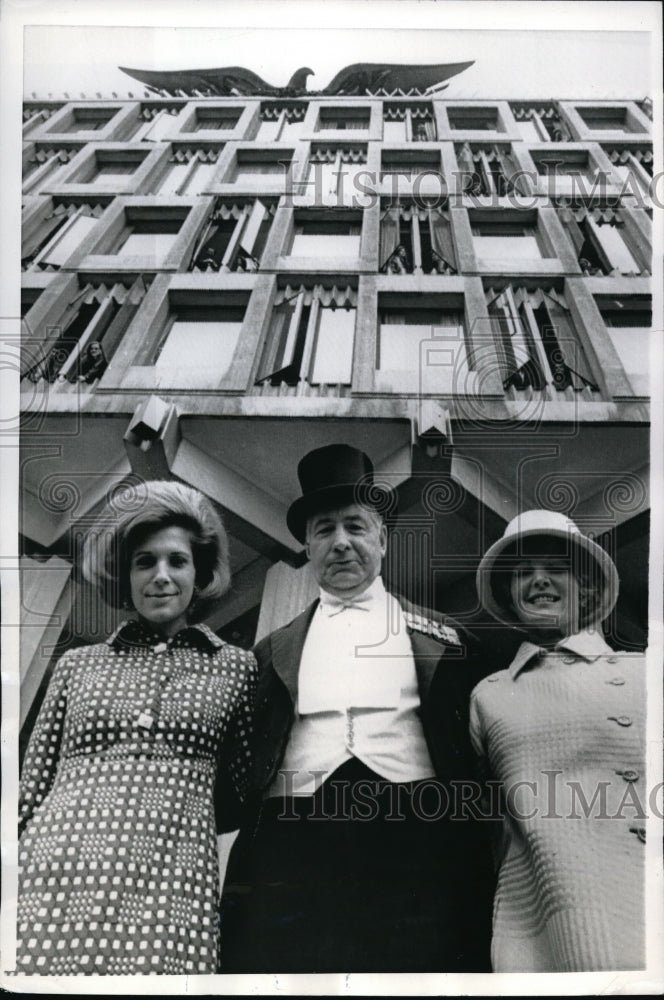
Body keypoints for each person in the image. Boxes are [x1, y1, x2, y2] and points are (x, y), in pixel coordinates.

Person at [219, 444, 494, 973]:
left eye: (355, 526)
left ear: (383, 539)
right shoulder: (269, 651)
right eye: (324, 529)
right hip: (290, 840)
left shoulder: (450, 640)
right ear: (307, 545)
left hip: (417, 838)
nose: (340, 542)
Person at [16, 481, 256, 975]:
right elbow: (31, 790)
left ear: (201, 571)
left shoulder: (238, 668)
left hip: (172, 885)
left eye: (177, 561)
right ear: (124, 575)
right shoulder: (77, 665)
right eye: (144, 562)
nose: (161, 576)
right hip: (55, 872)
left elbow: (240, 792)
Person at [470, 509, 645, 972]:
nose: (539, 580)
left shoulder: (646, 671)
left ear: (585, 585)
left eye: (555, 568)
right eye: (523, 572)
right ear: (510, 595)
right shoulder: (489, 695)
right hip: (546, 926)